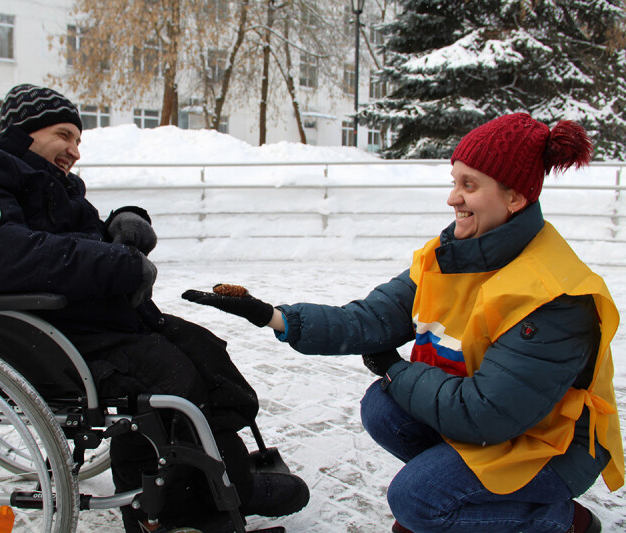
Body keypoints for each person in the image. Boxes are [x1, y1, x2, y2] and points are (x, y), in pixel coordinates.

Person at [183, 113, 624, 533]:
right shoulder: (451, 255)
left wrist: (396, 370)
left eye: (469, 185)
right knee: (383, 408)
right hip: (503, 425)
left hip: (552, 446)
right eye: (455, 182)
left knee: (417, 501)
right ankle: (482, 504)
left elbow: (486, 413)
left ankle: (559, 520)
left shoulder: (554, 297)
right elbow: (373, 317)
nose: (453, 198)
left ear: (515, 197)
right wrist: (273, 317)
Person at [0, 83, 309, 532]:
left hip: (69, 319)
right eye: (64, 135)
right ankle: (177, 510)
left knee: (202, 351)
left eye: (78, 140)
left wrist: (124, 222)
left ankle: (226, 484)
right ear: (25, 132)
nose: (74, 151)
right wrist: (117, 265)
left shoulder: (39, 178)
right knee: (169, 380)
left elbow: (72, 239)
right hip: (22, 331)